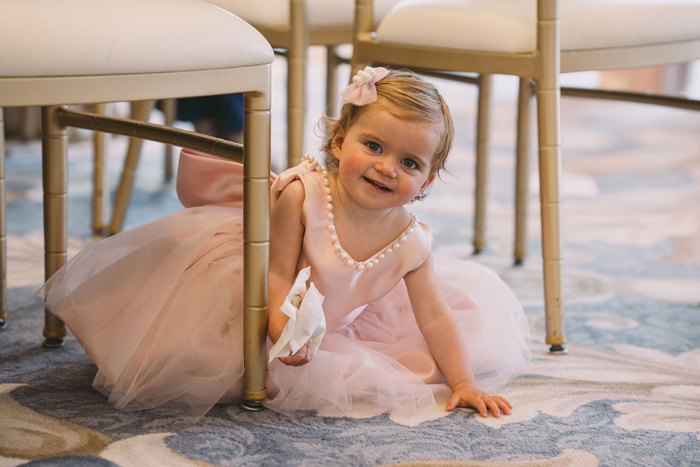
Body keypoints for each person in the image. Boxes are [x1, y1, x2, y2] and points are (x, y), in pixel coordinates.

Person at [39, 68, 531, 422]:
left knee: (406, 364)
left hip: (334, 321)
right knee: (205, 365)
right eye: (375, 147)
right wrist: (281, 326)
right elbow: (275, 275)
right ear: (339, 141)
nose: (387, 167)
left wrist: (463, 382)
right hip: (252, 292)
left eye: (410, 163)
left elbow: (435, 316)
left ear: (425, 181)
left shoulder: (412, 240)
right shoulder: (305, 192)